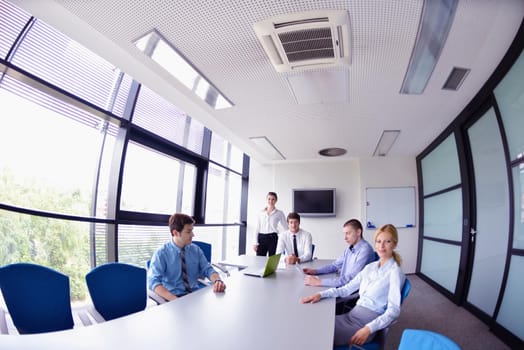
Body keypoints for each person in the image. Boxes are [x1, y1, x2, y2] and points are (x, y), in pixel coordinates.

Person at [301, 224, 405, 347]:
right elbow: (347, 288)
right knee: (311, 324)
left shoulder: (395, 273)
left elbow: (393, 311)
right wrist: (321, 294)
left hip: (365, 325)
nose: (381, 246)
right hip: (351, 316)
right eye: (378, 241)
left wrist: (368, 329)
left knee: (317, 336)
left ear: (394, 244)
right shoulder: (370, 267)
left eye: (387, 241)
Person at [148, 213, 226, 301]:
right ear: (175, 233)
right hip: (173, 298)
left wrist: (217, 281)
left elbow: (207, 269)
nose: (193, 235)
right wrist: (175, 300)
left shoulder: (196, 250)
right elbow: (153, 282)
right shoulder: (161, 254)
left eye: (192, 230)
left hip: (195, 295)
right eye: (188, 231)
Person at [303, 219, 375, 287]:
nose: (345, 238)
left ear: (358, 232)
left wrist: (319, 282)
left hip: (352, 293)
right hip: (344, 287)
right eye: (344, 234)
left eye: (348, 233)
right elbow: (335, 265)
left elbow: (351, 278)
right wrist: (316, 271)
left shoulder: (365, 250)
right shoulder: (351, 248)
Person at [253, 191, 288, 256]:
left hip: (273, 238)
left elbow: (286, 227)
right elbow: (257, 228)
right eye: (269, 199)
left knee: (272, 260)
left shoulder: (279, 213)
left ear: (276, 200)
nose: (271, 201)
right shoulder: (260, 213)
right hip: (261, 238)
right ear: (266, 200)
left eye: (273, 199)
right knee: (259, 260)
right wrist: (255, 242)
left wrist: (287, 239)